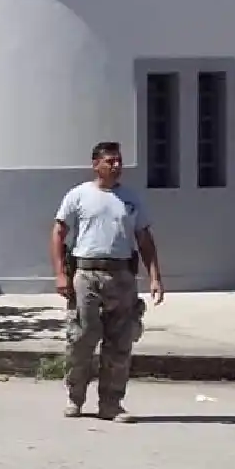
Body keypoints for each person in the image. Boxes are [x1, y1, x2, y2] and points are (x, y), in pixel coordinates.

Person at [51, 141, 165, 423]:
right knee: (83, 336)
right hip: (87, 274)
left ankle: (111, 403)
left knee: (120, 341)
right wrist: (61, 274)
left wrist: (154, 277)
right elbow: (58, 233)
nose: (116, 166)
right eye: (110, 161)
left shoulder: (130, 199)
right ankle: (75, 397)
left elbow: (144, 239)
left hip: (121, 276)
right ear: (96, 164)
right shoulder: (78, 195)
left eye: (118, 161)